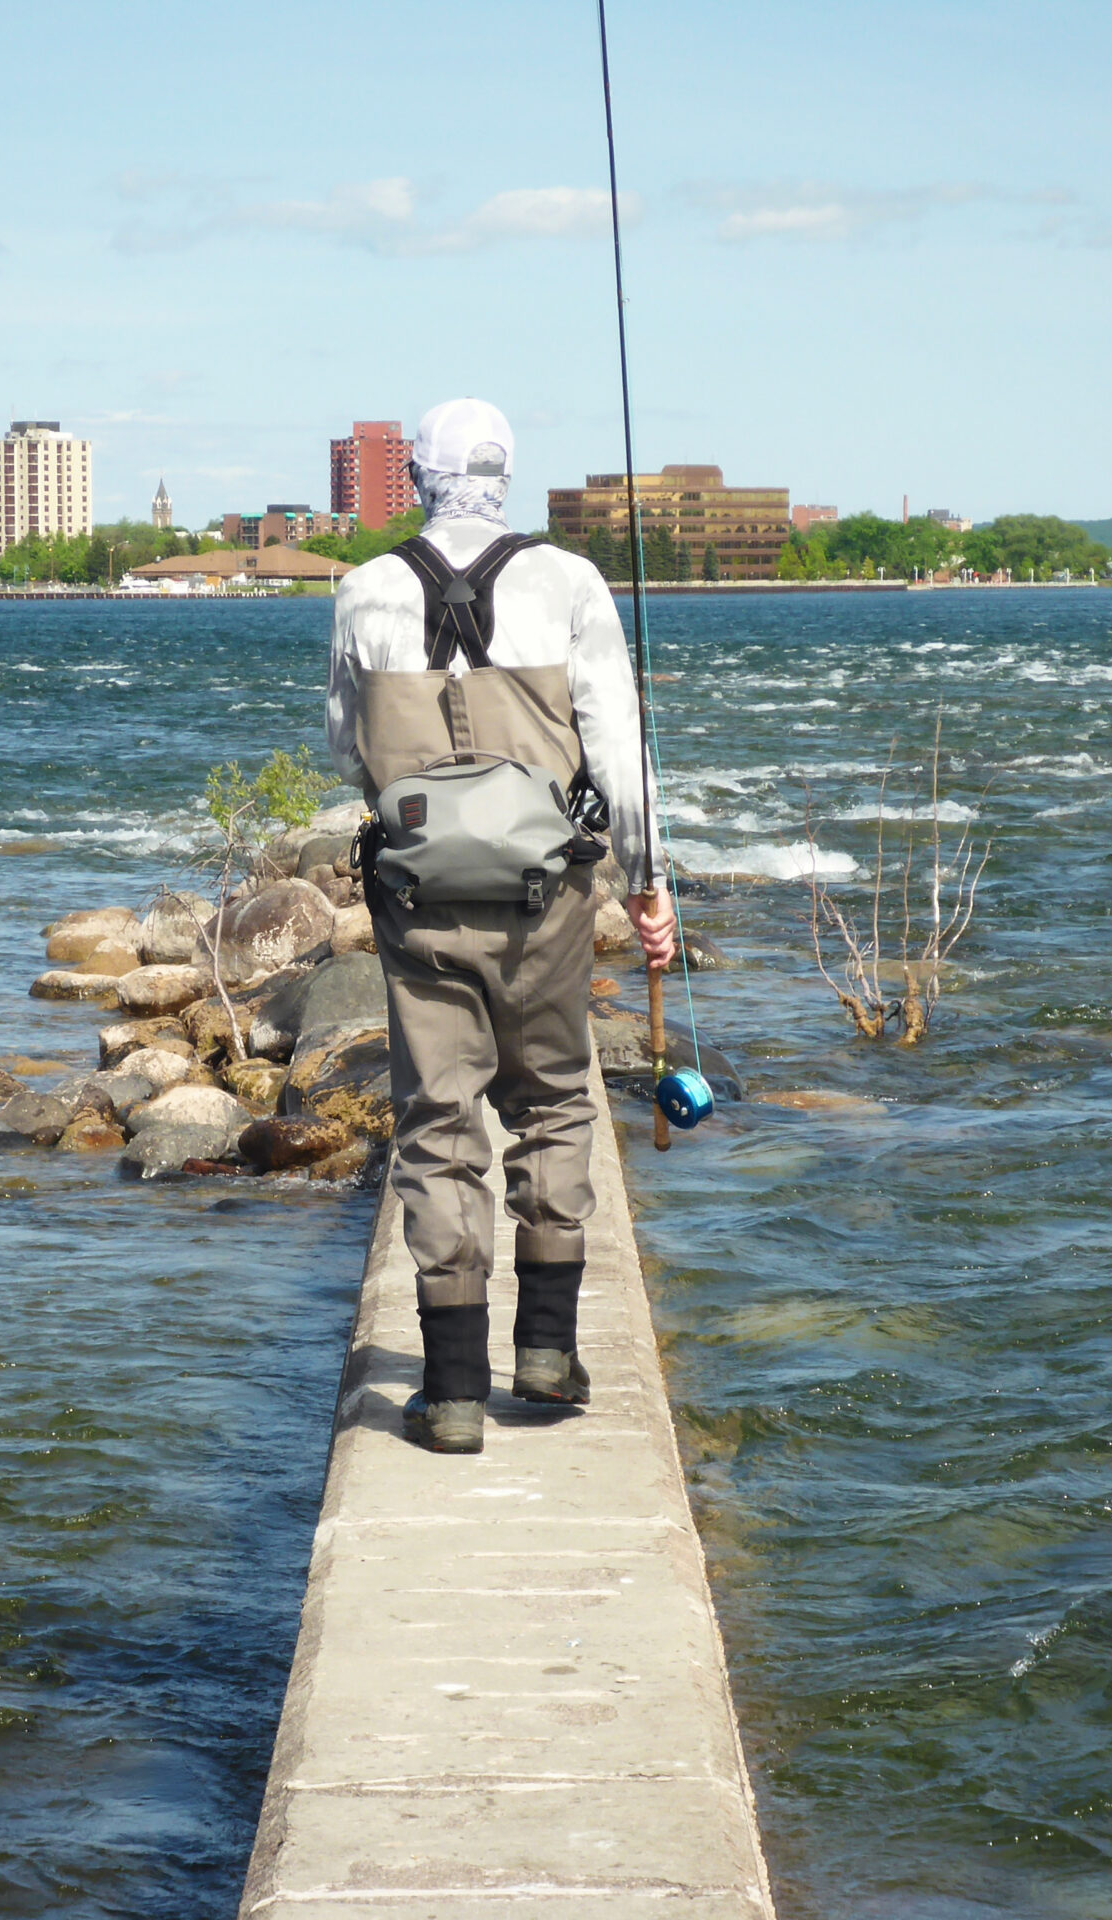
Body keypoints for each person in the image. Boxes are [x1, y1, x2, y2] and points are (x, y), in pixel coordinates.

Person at [326, 397, 676, 1456]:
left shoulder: (362, 589)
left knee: (438, 1123)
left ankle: (451, 1393)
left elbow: (347, 750)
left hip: (417, 900)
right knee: (555, 1101)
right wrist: (650, 884)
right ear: (506, 476)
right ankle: (547, 1351)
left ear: (420, 478)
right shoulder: (569, 584)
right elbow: (616, 753)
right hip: (547, 900)